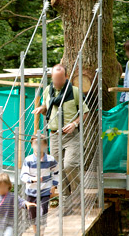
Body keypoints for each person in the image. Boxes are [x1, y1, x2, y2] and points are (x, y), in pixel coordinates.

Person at [32, 64, 89, 214]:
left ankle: (77, 196)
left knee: (69, 165)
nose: (56, 83)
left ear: (65, 77)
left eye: (59, 80)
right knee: (57, 169)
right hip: (54, 135)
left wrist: (74, 123)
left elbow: (85, 112)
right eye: (54, 79)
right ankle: (65, 201)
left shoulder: (75, 92)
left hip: (71, 135)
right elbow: (47, 106)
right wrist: (41, 109)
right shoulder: (47, 90)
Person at [20, 134, 59, 236]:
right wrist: (33, 179)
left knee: (42, 216)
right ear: (32, 145)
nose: (38, 146)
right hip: (31, 192)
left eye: (41, 143)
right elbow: (23, 176)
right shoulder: (28, 160)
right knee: (33, 217)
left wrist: (54, 185)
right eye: (36, 144)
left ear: (45, 145)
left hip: (45, 192)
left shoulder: (51, 160)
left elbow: (57, 172)